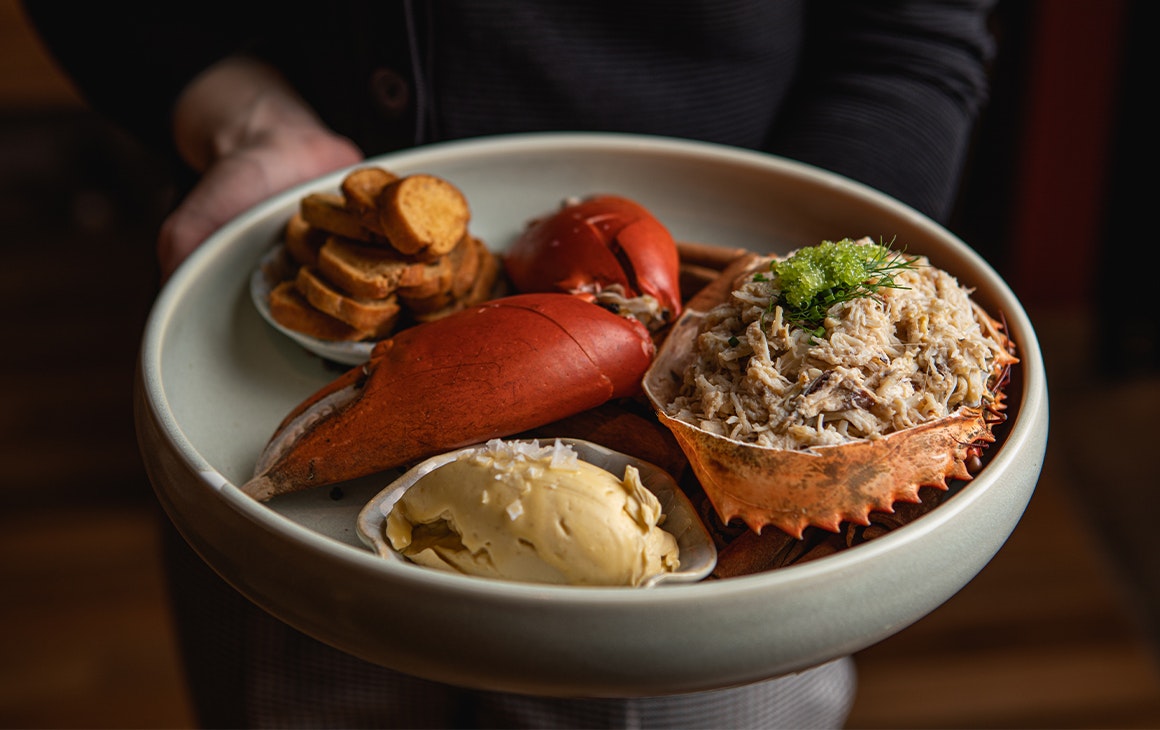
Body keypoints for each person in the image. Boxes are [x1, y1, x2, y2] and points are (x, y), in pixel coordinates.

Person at [26, 1, 998, 727]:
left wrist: (815, 320)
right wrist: (247, 119)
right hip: (296, 446)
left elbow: (908, 35)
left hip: (734, 514)